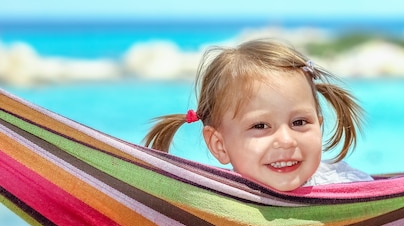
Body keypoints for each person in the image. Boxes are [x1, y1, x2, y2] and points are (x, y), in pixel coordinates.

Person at [143, 38, 372, 191]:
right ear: (219, 145)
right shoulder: (214, 208)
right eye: (260, 126)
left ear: (319, 127)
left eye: (300, 122)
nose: (286, 140)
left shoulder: (349, 188)